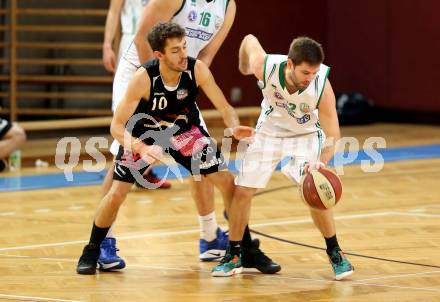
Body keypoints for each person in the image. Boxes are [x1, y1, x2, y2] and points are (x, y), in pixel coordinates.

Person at [76, 22, 260, 275]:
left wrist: (235, 127)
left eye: (184, 47)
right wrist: (139, 147)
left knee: (227, 182)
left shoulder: (196, 69)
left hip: (184, 133)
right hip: (145, 134)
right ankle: (92, 249)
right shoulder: (143, 79)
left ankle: (243, 249)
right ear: (159, 55)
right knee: (117, 193)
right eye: (175, 50)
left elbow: (225, 107)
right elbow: (117, 127)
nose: (184, 54)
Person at [212, 35, 354, 279]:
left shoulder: (322, 86)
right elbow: (247, 40)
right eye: (305, 73)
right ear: (290, 64)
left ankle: (335, 253)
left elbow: (333, 135)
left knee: (316, 189)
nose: (310, 78)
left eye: (314, 72)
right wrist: (244, 67)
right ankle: (234, 254)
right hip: (270, 130)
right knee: (243, 190)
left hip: (307, 135)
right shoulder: (265, 67)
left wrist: (322, 160)